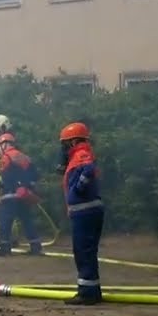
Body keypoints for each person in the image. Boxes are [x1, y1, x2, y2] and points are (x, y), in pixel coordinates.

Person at [58, 122, 103, 305]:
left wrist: (78, 189)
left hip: (86, 211)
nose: (63, 148)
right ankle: (92, 290)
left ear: (74, 141)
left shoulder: (81, 154)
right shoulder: (79, 155)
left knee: (83, 252)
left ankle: (87, 294)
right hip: (85, 211)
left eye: (66, 143)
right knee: (86, 252)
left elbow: (89, 170)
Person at [0, 133, 44, 256]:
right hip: (25, 195)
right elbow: (35, 175)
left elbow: (6, 176)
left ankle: (5, 248)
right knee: (27, 220)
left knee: (5, 222)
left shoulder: (6, 157)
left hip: (10, 195)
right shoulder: (24, 157)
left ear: (5, 144)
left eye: (0, 146)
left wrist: (1, 186)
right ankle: (35, 246)